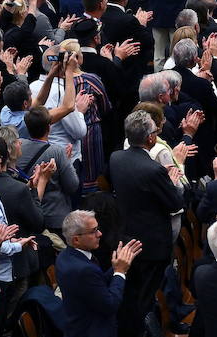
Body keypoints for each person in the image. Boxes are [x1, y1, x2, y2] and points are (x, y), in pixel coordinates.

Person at [107, 110, 186, 336]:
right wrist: (174, 182)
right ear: (151, 138)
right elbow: (175, 203)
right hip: (152, 244)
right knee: (146, 298)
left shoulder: (116, 158)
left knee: (133, 294)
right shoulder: (153, 170)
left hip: (126, 236)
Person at [56, 209, 142, 337]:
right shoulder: (83, 270)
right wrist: (120, 272)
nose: (100, 234)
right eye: (93, 231)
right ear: (76, 240)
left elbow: (95, 285)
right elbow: (110, 305)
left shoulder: (64, 256)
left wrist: (116, 266)